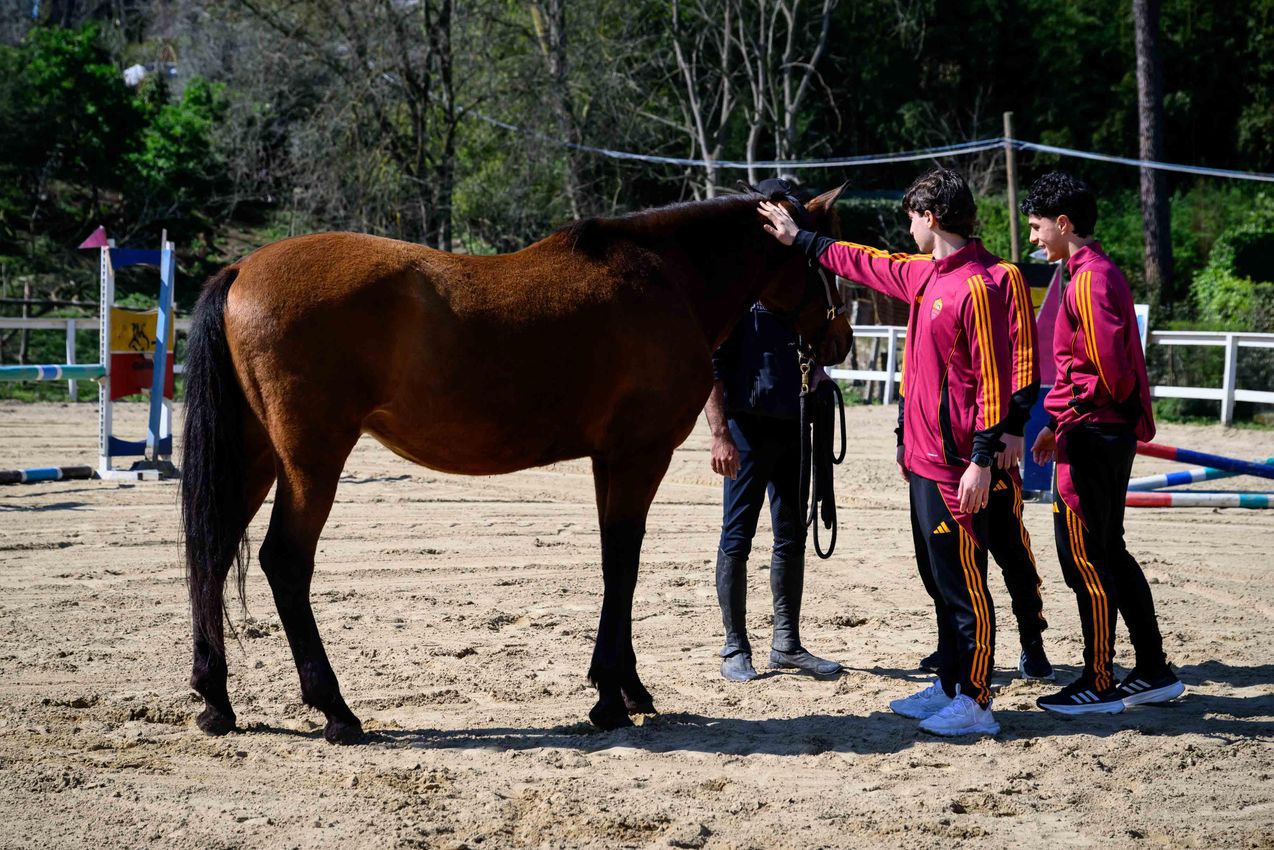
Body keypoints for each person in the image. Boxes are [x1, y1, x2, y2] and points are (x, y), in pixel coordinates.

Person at [760, 168, 1010, 736]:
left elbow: (994, 383)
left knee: (964, 585)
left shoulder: (979, 285)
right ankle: (950, 682)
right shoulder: (926, 274)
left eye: (913, 218)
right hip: (922, 459)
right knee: (939, 579)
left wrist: (981, 458)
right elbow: (864, 261)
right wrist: (800, 239)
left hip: (957, 465)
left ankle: (976, 700)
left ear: (932, 218)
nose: (908, 229)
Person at [1024, 171, 1185, 714]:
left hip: (1092, 434)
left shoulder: (1089, 279)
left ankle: (1098, 680)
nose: (1034, 238)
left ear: (1063, 223)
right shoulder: (1093, 272)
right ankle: (1153, 668)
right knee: (1110, 551)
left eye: (1037, 227)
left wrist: (1062, 416)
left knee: (1085, 559)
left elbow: (1109, 373)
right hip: (1100, 429)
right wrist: (1057, 421)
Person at [705, 178, 844, 683]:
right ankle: (734, 646)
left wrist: (821, 368)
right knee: (737, 536)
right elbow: (712, 366)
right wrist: (719, 434)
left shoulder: (800, 286)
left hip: (794, 424)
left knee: (790, 535)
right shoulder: (738, 294)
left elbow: (825, 346)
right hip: (745, 427)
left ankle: (786, 643)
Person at [900, 237, 1054, 682]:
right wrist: (902, 430)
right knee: (939, 558)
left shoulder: (1004, 276)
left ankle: (1032, 641)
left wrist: (1013, 426)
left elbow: (1023, 355)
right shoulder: (929, 275)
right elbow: (916, 365)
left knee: (1011, 552)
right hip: (938, 450)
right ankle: (950, 646)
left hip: (991, 445)